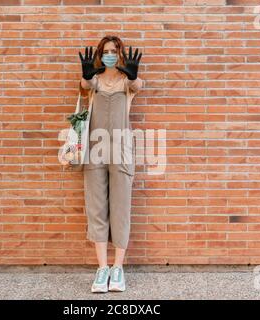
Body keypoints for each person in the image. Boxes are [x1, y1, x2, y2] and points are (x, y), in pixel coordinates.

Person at [78, 35, 143, 293]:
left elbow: (138, 85)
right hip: (95, 149)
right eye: (106, 51)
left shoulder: (127, 82)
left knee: (120, 208)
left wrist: (133, 75)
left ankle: (118, 269)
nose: (110, 55)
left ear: (121, 54)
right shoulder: (93, 80)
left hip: (121, 151)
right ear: (100, 54)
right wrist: (86, 72)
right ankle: (102, 268)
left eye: (114, 51)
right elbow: (84, 84)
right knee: (96, 208)